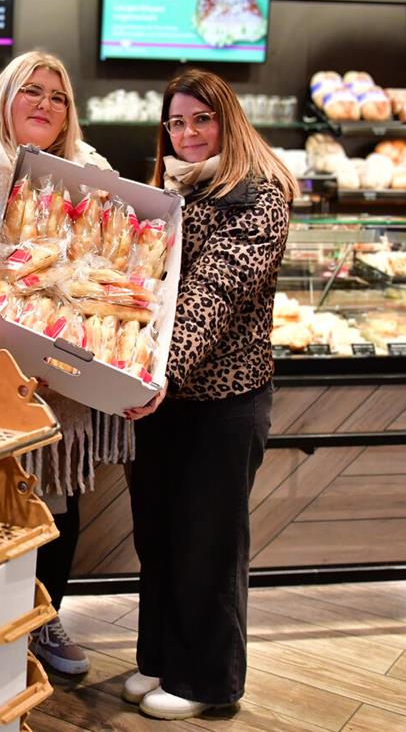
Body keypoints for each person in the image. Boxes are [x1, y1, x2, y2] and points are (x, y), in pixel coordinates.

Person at [0, 50, 133, 676]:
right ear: (3, 97)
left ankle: (43, 621)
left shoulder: (92, 170)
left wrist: (80, 318)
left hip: (67, 371)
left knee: (54, 501)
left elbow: (121, 258)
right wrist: (44, 321)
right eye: (32, 91)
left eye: (58, 96)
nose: (45, 105)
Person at [121, 68, 297, 719]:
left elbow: (212, 294)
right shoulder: (174, 192)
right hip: (163, 399)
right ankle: (164, 659)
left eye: (201, 119)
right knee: (160, 537)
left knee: (208, 542)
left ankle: (207, 682)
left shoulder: (258, 194)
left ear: (228, 120)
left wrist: (160, 370)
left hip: (222, 401)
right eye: (176, 122)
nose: (188, 133)